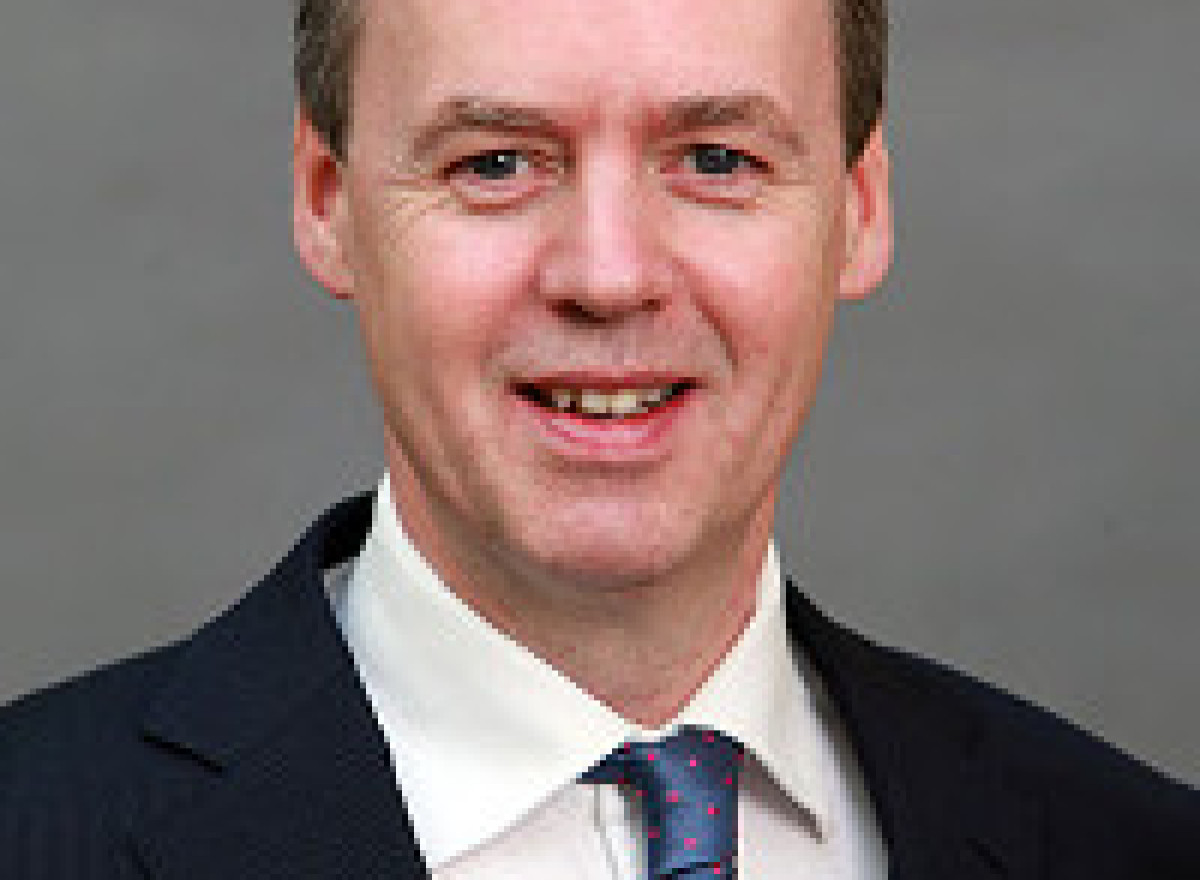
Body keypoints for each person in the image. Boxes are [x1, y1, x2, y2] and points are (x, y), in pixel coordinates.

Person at [1, 0, 1195, 875]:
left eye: (717, 160)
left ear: (859, 206)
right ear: (328, 201)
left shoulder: (1128, 846)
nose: (609, 275)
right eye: (497, 163)